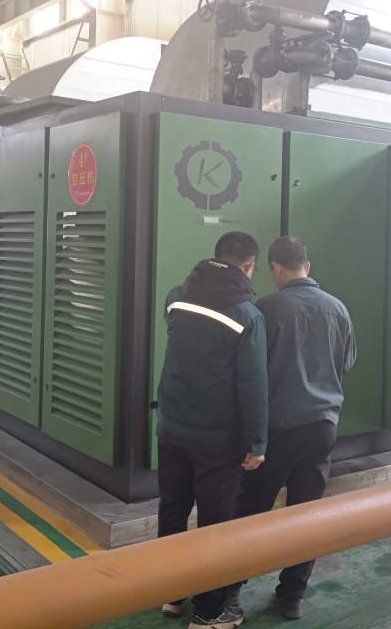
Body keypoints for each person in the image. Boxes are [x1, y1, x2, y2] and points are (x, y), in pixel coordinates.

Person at [228, 236, 355, 621]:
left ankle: (230, 591)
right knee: (306, 513)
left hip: (277, 430)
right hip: (322, 426)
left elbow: (249, 374)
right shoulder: (338, 308)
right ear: (307, 266)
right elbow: (346, 362)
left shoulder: (265, 310)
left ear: (275, 269)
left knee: (251, 511)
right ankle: (292, 595)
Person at [156, 231, 269, 629]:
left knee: (172, 509)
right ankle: (209, 612)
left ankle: (171, 592)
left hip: (171, 427)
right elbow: (253, 384)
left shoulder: (176, 298)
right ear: (250, 266)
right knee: (215, 522)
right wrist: (257, 441)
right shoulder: (247, 316)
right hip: (217, 440)